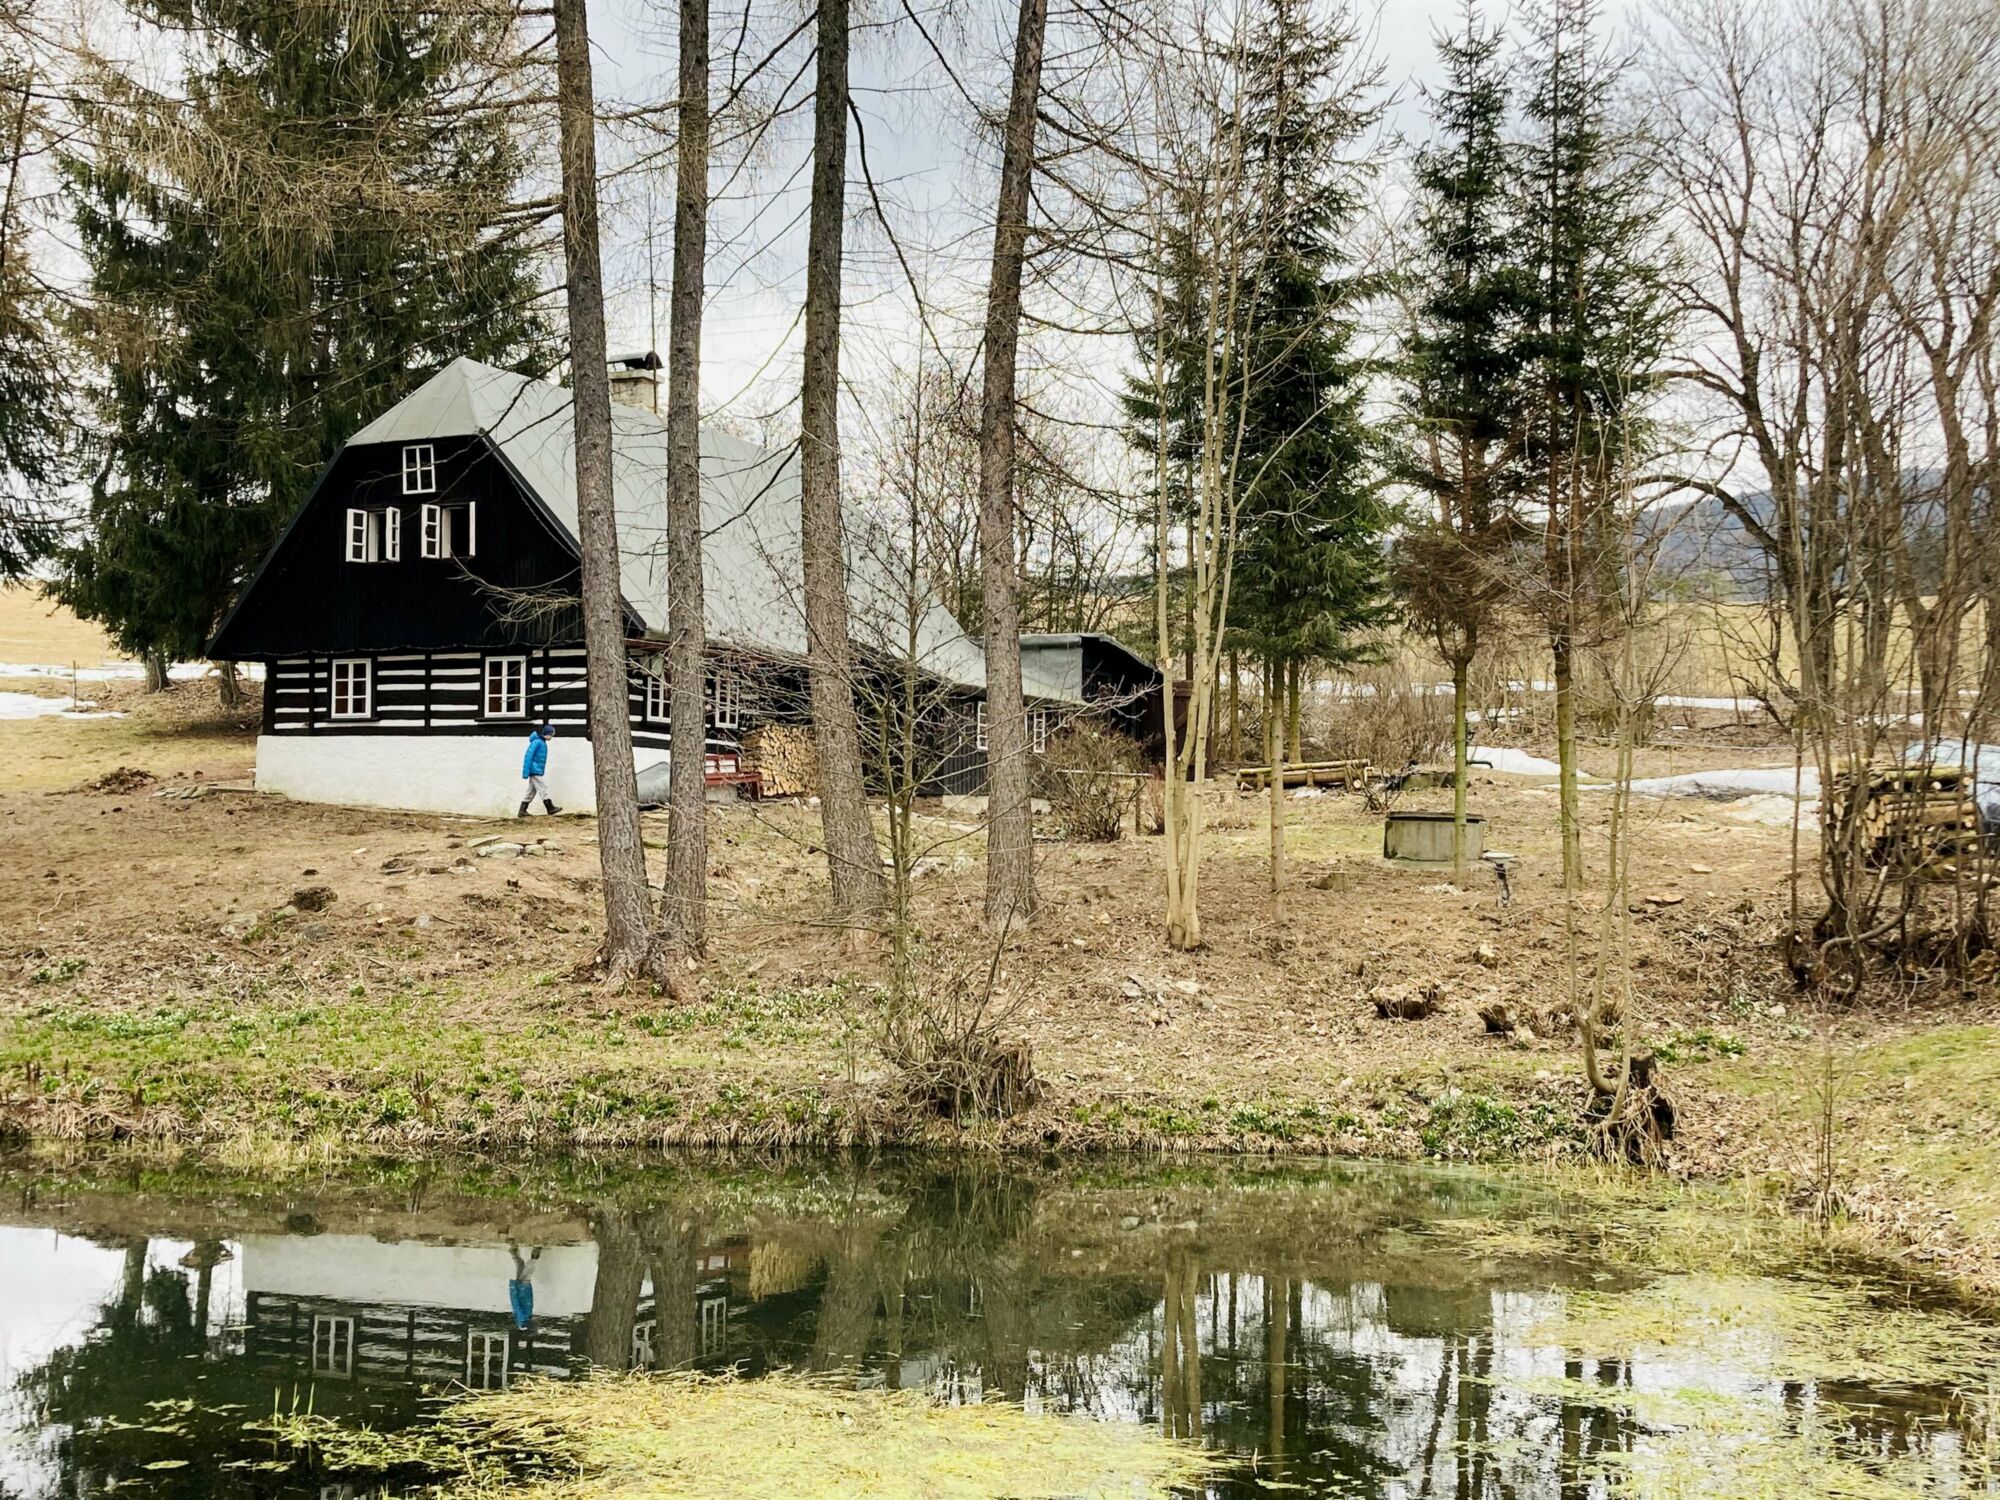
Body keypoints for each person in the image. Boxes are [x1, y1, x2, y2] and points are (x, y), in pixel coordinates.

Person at [520, 723, 561, 817]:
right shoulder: (537, 742)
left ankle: (522, 811)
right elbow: (528, 756)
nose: (552, 737)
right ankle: (550, 808)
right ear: (547, 734)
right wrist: (526, 772)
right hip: (535, 770)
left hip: (536, 769)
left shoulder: (541, 742)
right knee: (542, 787)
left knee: (531, 791)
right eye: (551, 735)